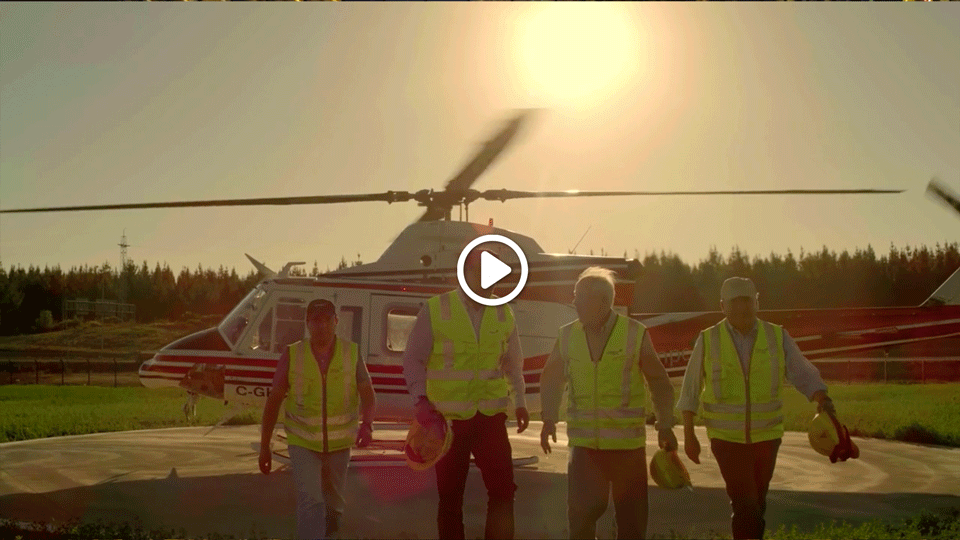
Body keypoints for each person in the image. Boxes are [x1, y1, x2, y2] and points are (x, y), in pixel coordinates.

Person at [678, 277, 836, 540]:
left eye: (747, 301)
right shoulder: (708, 339)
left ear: (757, 303)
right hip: (726, 441)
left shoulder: (777, 336)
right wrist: (689, 435)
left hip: (767, 439)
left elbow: (802, 372)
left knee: (756, 504)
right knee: (746, 503)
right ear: (722, 306)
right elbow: (690, 390)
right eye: (734, 302)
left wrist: (823, 399)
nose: (741, 307)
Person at [540, 266, 678, 540]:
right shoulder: (567, 335)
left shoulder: (634, 333)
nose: (574, 302)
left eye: (580, 297)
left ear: (602, 302)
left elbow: (659, 381)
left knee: (631, 524)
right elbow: (551, 379)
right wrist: (548, 418)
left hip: (627, 448)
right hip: (585, 448)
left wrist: (665, 423)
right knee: (581, 521)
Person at [402, 247, 530, 540]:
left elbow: (513, 364)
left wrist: (521, 401)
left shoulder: (504, 312)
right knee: (450, 498)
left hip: (490, 419)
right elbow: (413, 359)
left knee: (503, 491)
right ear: (466, 272)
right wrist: (420, 400)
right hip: (448, 423)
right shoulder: (436, 309)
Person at [259, 298, 377, 540]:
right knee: (311, 500)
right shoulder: (293, 354)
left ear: (336, 322)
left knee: (334, 505)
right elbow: (274, 401)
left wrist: (367, 425)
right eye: (315, 320)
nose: (321, 326)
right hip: (303, 443)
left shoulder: (351, 352)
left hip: (339, 445)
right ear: (307, 323)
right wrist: (264, 446)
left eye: (326, 320)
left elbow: (367, 392)